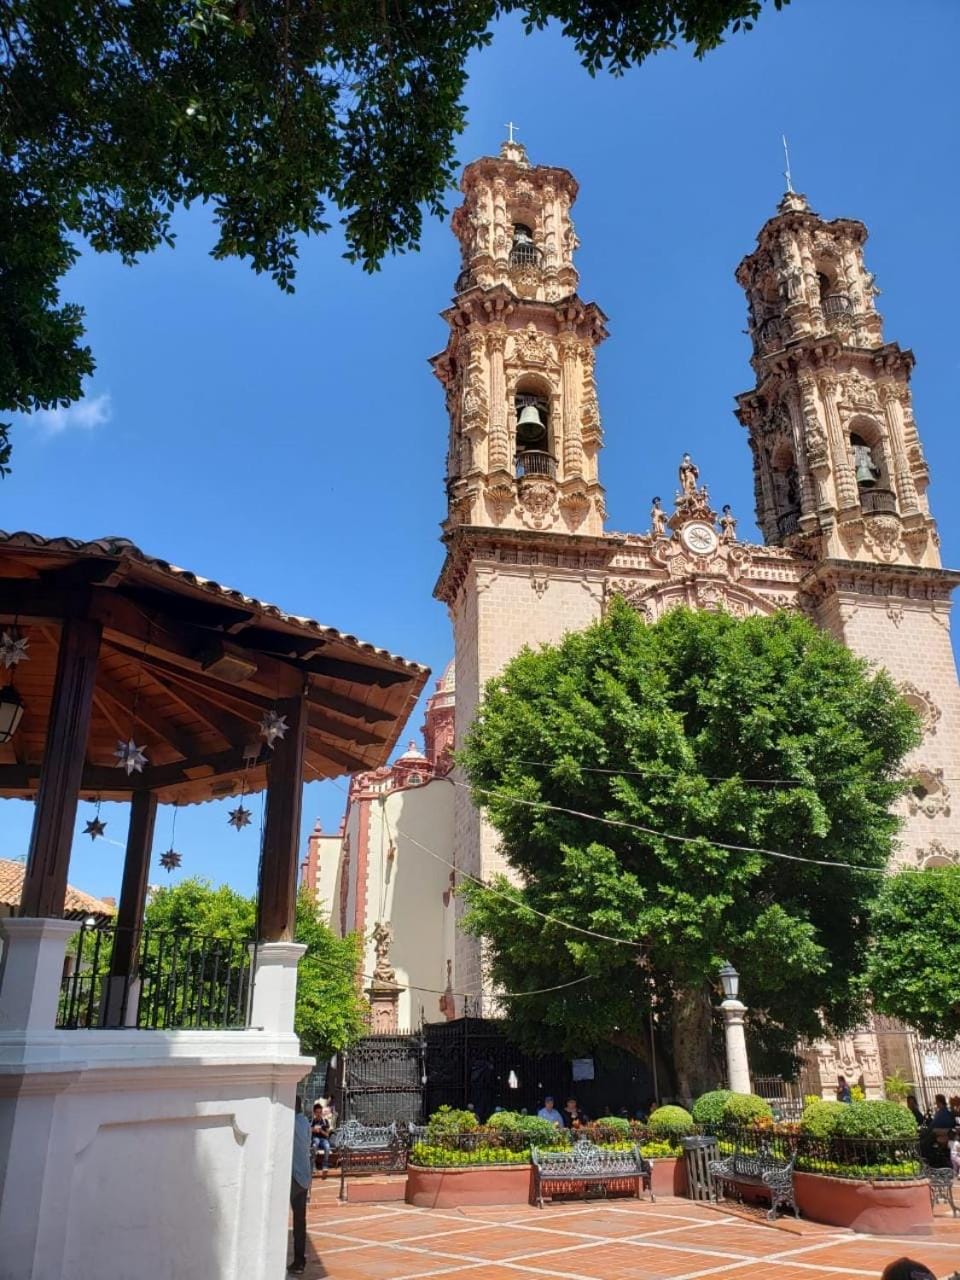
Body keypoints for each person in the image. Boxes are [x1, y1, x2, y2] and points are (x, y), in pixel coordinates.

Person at [289, 1095, 311, 1275]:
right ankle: (299, 1259)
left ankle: (295, 1260)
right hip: (304, 1175)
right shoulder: (305, 1122)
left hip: (292, 1176)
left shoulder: (289, 1122)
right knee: (299, 1221)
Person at [311, 1100, 332, 1176]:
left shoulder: (325, 1121)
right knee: (315, 1143)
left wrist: (321, 1131)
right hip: (315, 1138)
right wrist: (313, 1129)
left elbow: (327, 1135)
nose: (319, 1114)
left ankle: (325, 1165)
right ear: (314, 1113)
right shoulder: (312, 1121)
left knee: (327, 1146)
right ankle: (313, 1165)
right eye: (317, 1112)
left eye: (320, 1112)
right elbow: (308, 1130)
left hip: (323, 1139)